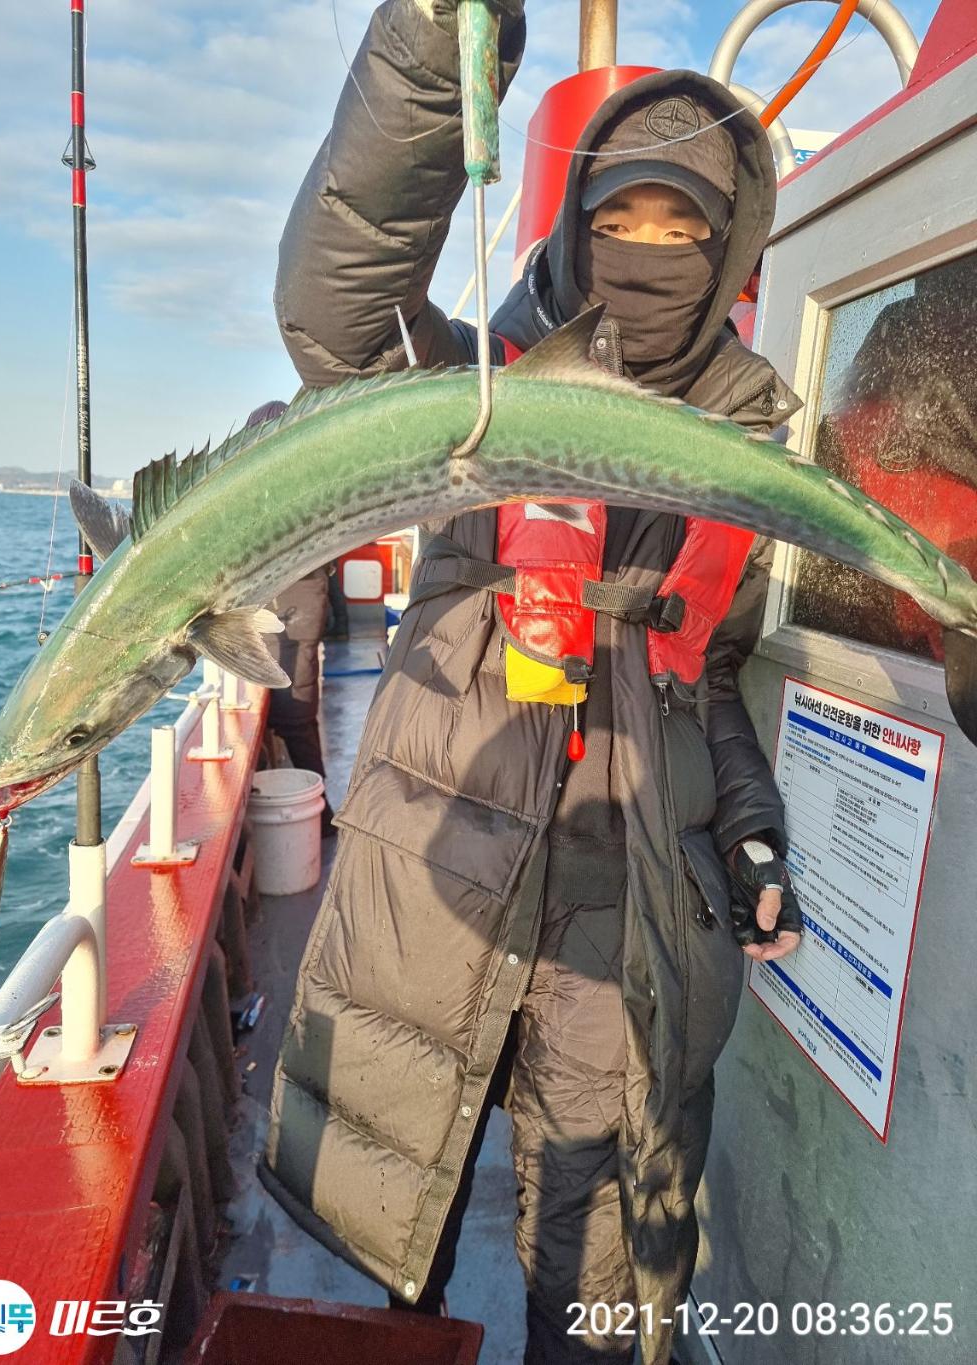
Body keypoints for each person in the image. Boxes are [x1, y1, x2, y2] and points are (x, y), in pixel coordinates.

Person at [258, 4, 805, 1362]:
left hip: (625, 932)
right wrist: (431, 52)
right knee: (401, 1249)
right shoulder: (472, 395)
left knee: (593, 1290)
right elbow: (334, 310)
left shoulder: (745, 459)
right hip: (431, 892)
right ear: (571, 228)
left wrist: (749, 829)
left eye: (684, 232)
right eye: (621, 218)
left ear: (728, 255)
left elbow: (711, 673)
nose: (646, 253)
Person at [245, 401, 336, 837]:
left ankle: (319, 814)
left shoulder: (288, 487)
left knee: (296, 710)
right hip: (288, 603)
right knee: (288, 708)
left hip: (295, 606)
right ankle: (312, 808)